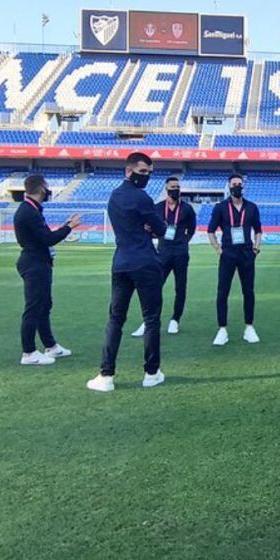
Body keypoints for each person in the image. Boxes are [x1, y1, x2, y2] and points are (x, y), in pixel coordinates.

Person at [87, 152, 168, 392]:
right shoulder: (142, 198)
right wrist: (149, 228)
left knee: (115, 319)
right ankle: (151, 373)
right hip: (145, 263)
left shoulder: (114, 197)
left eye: (149, 173)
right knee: (151, 319)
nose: (146, 177)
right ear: (128, 170)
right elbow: (161, 229)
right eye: (143, 172)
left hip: (121, 262)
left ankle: (106, 375)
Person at [13, 174, 81, 365]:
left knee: (43, 306)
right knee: (34, 308)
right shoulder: (28, 212)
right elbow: (48, 239)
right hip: (34, 263)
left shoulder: (31, 210)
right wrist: (69, 227)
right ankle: (28, 353)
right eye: (46, 187)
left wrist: (64, 226)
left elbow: (44, 236)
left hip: (38, 262)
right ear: (41, 188)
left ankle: (51, 346)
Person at [132, 176, 196, 337]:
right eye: (172, 187)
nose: (176, 189)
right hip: (163, 252)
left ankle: (175, 320)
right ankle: (148, 321)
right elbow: (149, 226)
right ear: (166, 189)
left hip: (181, 253)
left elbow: (192, 229)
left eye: (177, 187)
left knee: (180, 287)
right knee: (155, 287)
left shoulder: (187, 209)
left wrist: (182, 242)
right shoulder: (158, 208)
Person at [207, 173, 263, 346]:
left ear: (243, 186)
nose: (237, 186)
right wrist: (218, 249)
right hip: (228, 254)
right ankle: (222, 329)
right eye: (234, 184)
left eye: (239, 184)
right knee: (222, 292)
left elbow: (258, 230)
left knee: (249, 292)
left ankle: (249, 327)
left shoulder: (252, 207)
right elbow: (210, 230)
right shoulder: (220, 208)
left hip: (247, 254)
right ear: (229, 186)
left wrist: (256, 248)